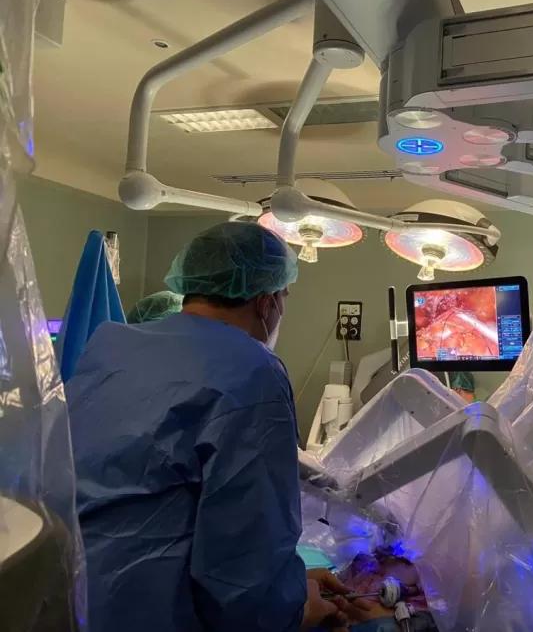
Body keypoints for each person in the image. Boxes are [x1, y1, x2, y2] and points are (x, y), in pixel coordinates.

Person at [68, 222, 349, 632]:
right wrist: (296, 611)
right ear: (266, 302)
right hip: (145, 611)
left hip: (63, 590)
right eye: (284, 297)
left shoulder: (113, 344)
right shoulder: (253, 371)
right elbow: (245, 561)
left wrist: (295, 584)